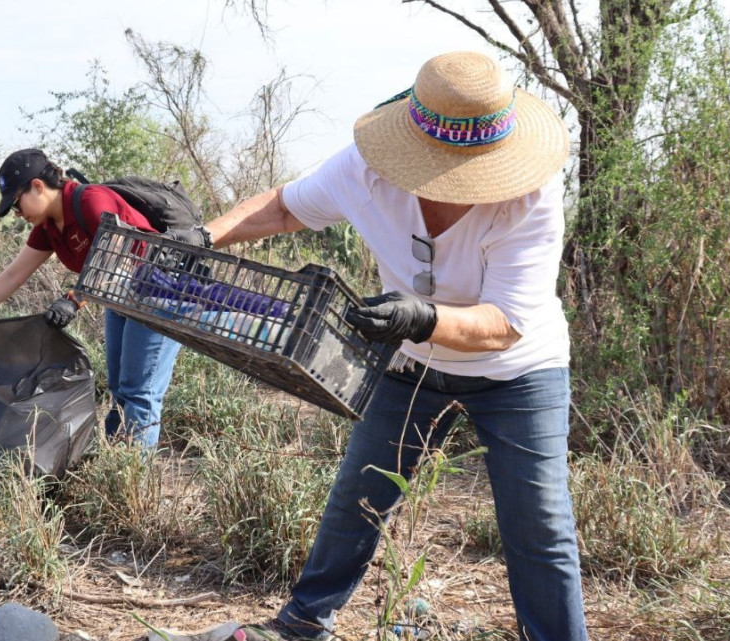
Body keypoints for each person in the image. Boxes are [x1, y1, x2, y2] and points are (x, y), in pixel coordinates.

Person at [186, 52, 589, 640]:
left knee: (540, 525)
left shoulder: (528, 195)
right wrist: (204, 237)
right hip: (411, 363)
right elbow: (282, 206)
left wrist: (421, 317)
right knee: (359, 493)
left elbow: (505, 323)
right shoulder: (364, 170)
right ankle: (302, 624)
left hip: (517, 372)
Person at [0, 149, 186, 449]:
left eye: (17, 204)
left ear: (38, 187)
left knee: (140, 392)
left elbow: (116, 254)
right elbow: (13, 275)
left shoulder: (90, 200)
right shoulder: (48, 226)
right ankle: (116, 464)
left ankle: (136, 479)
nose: (18, 214)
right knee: (119, 390)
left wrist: (74, 299)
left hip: (160, 294)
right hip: (120, 299)